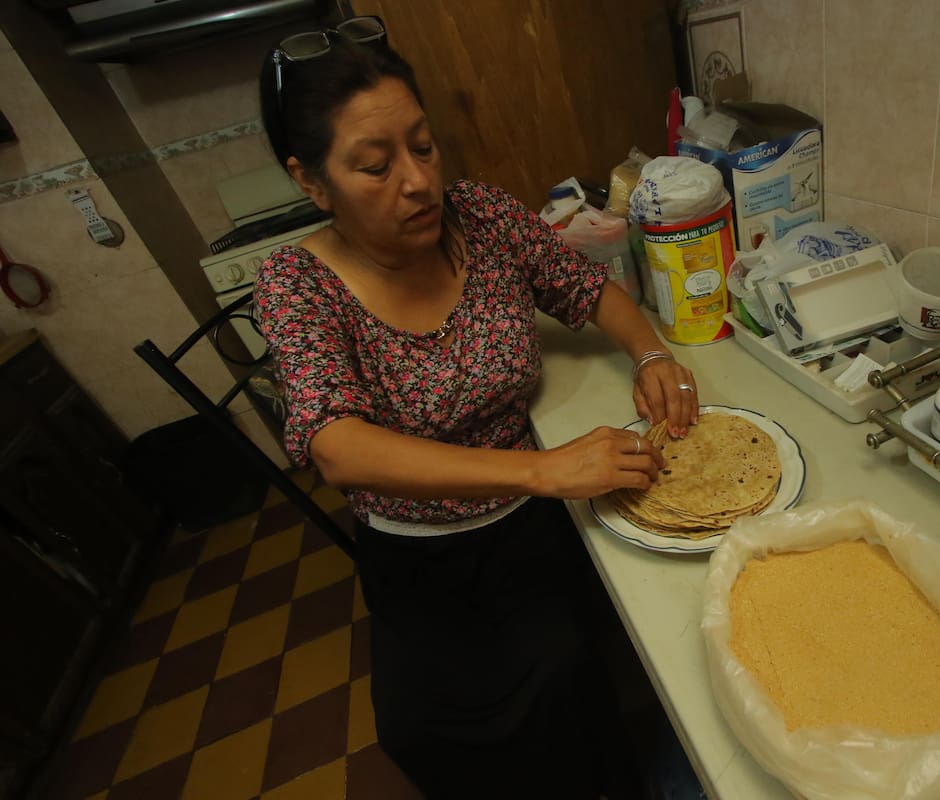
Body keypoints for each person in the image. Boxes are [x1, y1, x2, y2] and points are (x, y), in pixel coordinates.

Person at [254, 16, 699, 799]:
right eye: (373, 165)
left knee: (574, 676)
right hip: (421, 555)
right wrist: (543, 468)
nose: (419, 181)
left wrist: (652, 351)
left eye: (422, 147)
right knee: (421, 732)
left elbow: (585, 288)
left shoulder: (484, 217)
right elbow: (337, 446)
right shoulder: (296, 284)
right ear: (310, 181)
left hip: (536, 528)